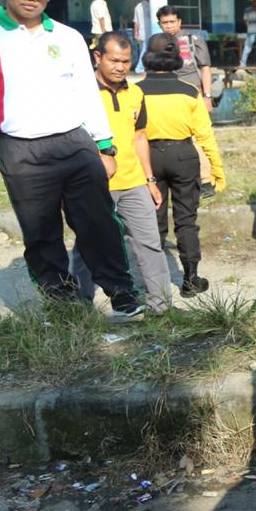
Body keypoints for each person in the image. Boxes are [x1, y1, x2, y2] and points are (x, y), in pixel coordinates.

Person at [0, 0, 143, 316]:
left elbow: (87, 95)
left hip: (75, 143)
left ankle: (122, 294)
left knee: (99, 222)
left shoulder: (68, 37)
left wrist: (105, 145)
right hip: (20, 150)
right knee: (41, 233)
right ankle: (61, 304)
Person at [69, 32, 175, 315]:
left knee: (150, 244)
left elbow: (140, 138)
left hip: (133, 182)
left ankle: (161, 307)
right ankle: (80, 308)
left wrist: (150, 179)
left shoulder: (136, 93)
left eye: (126, 61)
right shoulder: (79, 93)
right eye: (114, 60)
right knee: (87, 247)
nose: (120, 66)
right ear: (98, 57)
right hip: (92, 184)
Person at [140, 33, 226, 297]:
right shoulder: (190, 92)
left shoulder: (136, 91)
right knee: (186, 220)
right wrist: (216, 168)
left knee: (153, 222)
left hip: (148, 158)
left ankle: (155, 286)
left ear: (147, 58)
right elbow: (204, 134)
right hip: (183, 157)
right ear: (176, 58)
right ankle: (190, 281)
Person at [156, 4, 216, 194]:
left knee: (199, 137)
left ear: (179, 22)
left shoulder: (193, 40)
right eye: (164, 22)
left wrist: (207, 96)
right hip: (168, 98)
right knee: (176, 138)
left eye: (172, 21)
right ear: (160, 24)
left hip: (193, 95)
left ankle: (207, 181)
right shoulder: (156, 43)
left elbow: (205, 67)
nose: (169, 26)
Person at [131, 0, 152, 73]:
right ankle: (140, 68)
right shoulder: (151, 6)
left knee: (143, 51)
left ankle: (143, 67)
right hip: (149, 32)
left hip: (140, 33)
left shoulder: (137, 7)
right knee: (145, 51)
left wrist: (135, 33)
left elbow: (136, 22)